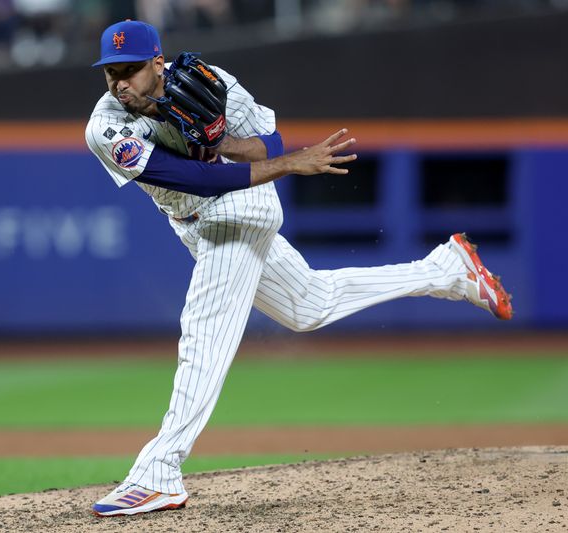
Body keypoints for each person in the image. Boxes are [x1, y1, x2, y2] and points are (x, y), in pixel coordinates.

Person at [84, 19, 512, 517]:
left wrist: (220, 139)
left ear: (158, 63)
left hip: (241, 208)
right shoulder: (106, 125)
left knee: (204, 333)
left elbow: (270, 142)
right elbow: (188, 177)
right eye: (110, 71)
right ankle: (447, 271)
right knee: (309, 304)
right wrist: (276, 161)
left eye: (131, 69)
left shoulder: (213, 82)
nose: (119, 82)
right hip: (196, 212)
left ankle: (159, 473)